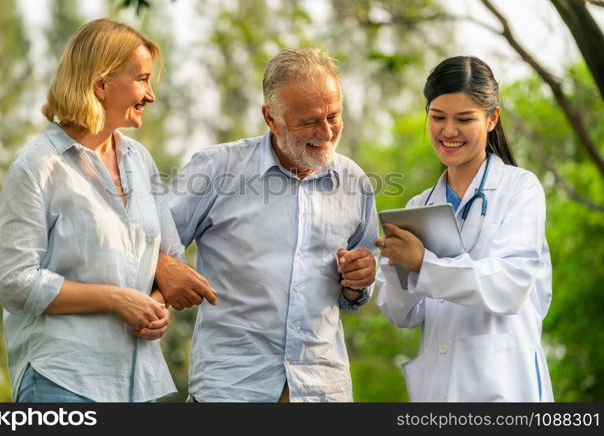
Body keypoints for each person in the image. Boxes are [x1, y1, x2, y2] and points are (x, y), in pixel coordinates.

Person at [0, 18, 205, 402]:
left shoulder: (140, 159)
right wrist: (116, 299)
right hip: (61, 380)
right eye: (141, 79)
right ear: (101, 84)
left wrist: (152, 307)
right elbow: (14, 282)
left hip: (135, 384)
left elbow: (169, 257)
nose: (151, 94)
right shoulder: (38, 166)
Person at [162, 48, 378, 402]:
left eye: (334, 116)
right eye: (308, 121)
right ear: (270, 118)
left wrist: (359, 282)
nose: (325, 132)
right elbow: (149, 243)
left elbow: (356, 292)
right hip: (232, 390)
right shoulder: (216, 169)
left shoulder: (354, 183)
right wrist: (165, 265)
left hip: (322, 391)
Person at [375, 55, 553, 402]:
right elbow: (401, 314)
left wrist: (423, 264)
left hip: (504, 387)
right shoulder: (417, 207)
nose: (448, 131)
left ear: (492, 119)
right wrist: (397, 269)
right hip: (439, 392)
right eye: (437, 117)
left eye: (464, 119)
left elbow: (510, 286)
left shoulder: (521, 190)